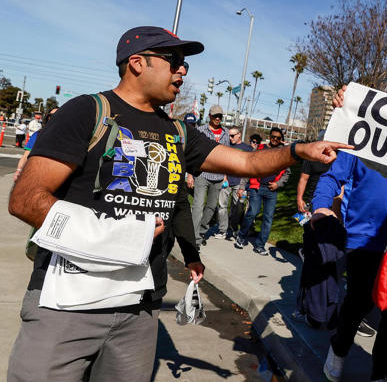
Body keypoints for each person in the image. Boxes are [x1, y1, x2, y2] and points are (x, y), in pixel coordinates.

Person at [6, 25, 349, 382]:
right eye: (173, 60)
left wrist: (299, 150)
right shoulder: (87, 112)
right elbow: (27, 199)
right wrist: (118, 235)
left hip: (140, 306)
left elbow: (247, 163)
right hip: (67, 302)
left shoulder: (178, 132)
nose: (183, 70)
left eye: (184, 63)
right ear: (137, 63)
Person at [314, 80, 387, 382]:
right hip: (363, 240)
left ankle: (382, 372)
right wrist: (321, 205)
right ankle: (339, 348)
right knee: (358, 302)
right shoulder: (360, 141)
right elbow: (332, 177)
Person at [235, 127, 291, 254]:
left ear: (281, 139)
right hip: (257, 187)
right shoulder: (260, 149)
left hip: (272, 190)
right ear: (269, 137)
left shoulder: (283, 153)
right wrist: (242, 186)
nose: (275, 139)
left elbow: (287, 173)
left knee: (268, 218)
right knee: (252, 212)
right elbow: (249, 168)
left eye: (278, 138)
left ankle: (260, 245)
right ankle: (241, 236)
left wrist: (278, 184)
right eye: (273, 137)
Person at [187, 104, 230, 248]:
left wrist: (225, 176)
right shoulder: (200, 130)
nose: (218, 118)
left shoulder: (225, 133)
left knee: (211, 208)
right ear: (210, 116)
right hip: (202, 174)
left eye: (220, 116)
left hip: (218, 177)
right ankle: (194, 239)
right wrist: (190, 175)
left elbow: (226, 156)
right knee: (198, 206)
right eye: (215, 116)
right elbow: (193, 154)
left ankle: (201, 231)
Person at [212, 126, 251, 240]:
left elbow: (249, 167)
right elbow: (223, 163)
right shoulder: (227, 146)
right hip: (226, 181)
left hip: (239, 183)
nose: (230, 138)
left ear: (239, 135)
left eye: (233, 135)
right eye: (229, 135)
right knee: (222, 206)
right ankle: (222, 230)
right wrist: (224, 177)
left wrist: (243, 185)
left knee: (237, 208)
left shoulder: (247, 148)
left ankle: (234, 228)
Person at [14, 108, 58, 181]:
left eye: (58, 115)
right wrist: (19, 170)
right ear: (47, 117)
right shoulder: (38, 135)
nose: (54, 117)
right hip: (36, 176)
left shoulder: (70, 137)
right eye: (51, 115)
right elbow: (26, 155)